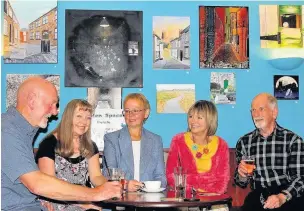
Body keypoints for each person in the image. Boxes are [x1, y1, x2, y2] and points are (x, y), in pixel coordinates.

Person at [1, 76, 121, 211]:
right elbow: (38, 184)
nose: (55, 111)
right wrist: (95, 194)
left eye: (88, 118)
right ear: (32, 100)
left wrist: (116, 187)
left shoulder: (21, 131)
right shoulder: (6, 130)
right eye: (52, 104)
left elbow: (96, 177)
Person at [234, 93, 304, 211]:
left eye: (261, 109)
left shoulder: (293, 141)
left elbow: (300, 179)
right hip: (259, 194)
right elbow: (241, 184)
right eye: (253, 110)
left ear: (274, 112)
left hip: (288, 194)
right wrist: (242, 175)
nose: (256, 114)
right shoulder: (244, 142)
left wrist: (282, 197)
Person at [36, 99, 107, 211]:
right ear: (68, 118)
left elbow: (96, 177)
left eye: (88, 118)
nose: (84, 122)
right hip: (56, 199)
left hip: (84, 198)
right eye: (79, 116)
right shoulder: (49, 144)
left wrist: (109, 186)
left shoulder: (90, 145)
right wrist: (81, 203)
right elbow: (49, 185)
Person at [166, 100, 229, 210]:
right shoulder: (178, 140)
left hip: (213, 198)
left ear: (210, 120)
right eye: (191, 116)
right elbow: (171, 177)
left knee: (220, 209)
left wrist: (190, 180)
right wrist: (207, 182)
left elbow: (222, 181)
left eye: (199, 117)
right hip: (186, 198)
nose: (193, 121)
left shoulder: (221, 144)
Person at [102, 93, 166, 191]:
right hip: (121, 199)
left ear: (146, 113)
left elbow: (161, 177)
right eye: (127, 111)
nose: (130, 115)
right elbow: (110, 175)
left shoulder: (156, 140)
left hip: (150, 199)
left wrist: (148, 189)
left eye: (135, 110)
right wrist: (126, 185)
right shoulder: (111, 139)